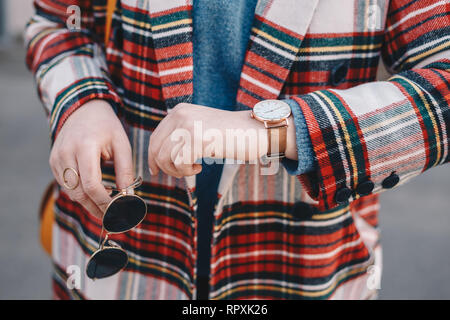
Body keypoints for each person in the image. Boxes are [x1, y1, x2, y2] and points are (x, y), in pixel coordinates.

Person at [25, 0, 449, 300]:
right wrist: (82, 101)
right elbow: (58, 22)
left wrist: (271, 130)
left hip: (308, 266)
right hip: (121, 263)